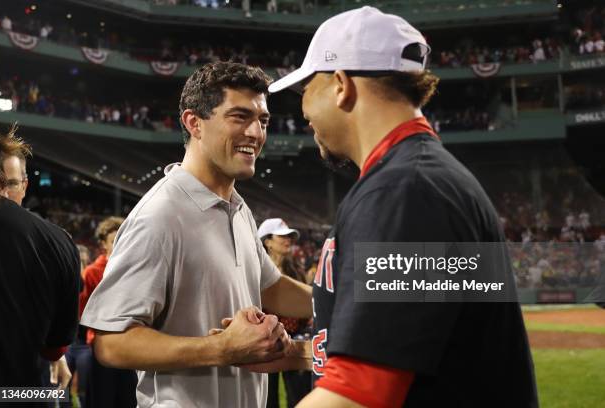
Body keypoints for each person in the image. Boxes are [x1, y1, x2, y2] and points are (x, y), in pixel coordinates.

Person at [265, 7, 538, 407]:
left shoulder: (407, 191)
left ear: (341, 84)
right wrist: (291, 354)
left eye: (307, 88)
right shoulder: (419, 179)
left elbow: (357, 394)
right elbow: (424, 350)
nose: (303, 110)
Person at [80, 61, 312, 408]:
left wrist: (343, 301)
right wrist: (220, 349)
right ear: (194, 123)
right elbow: (111, 343)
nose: (255, 133)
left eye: (262, 120)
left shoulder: (238, 207)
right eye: (239, 116)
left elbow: (269, 287)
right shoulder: (160, 215)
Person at [0, 124, 80, 391]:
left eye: (12, 184)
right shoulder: (58, 241)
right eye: (1, 183)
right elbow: (54, 347)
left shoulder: (57, 242)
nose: (5, 195)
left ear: (26, 185)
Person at [78, 216, 136, 407]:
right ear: (103, 244)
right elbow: (83, 311)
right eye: (114, 240)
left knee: (128, 399)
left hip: (131, 345)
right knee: (103, 399)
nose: (120, 242)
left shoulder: (134, 267)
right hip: (102, 345)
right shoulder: (93, 272)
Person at [258, 218, 312, 408]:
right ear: (267, 242)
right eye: (282, 236)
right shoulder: (254, 272)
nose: (288, 240)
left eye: (289, 236)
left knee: (298, 396)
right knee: (266, 398)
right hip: (265, 343)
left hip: (295, 340)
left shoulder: (296, 270)